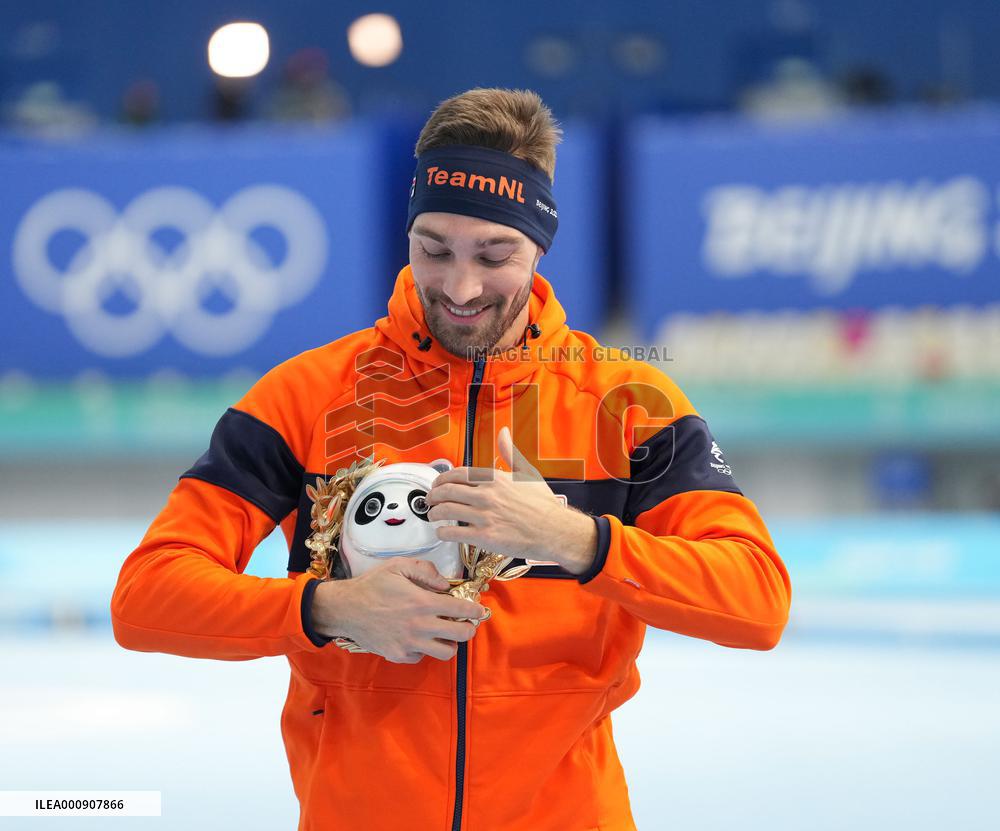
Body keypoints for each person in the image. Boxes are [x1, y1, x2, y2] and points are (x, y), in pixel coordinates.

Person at [111, 87, 791, 831]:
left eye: (494, 255)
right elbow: (147, 596)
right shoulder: (309, 394)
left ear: (540, 245)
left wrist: (577, 540)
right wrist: (323, 607)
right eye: (434, 249)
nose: (460, 287)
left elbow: (757, 600)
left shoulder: (625, 401)